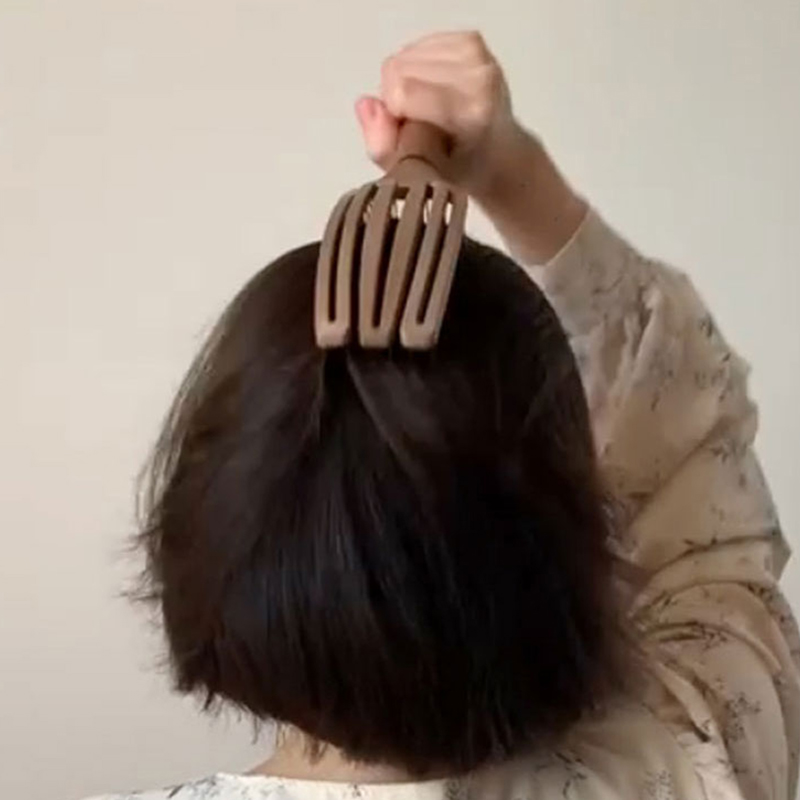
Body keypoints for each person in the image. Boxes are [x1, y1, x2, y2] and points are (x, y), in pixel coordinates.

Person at [86, 31, 799, 800]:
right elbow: (700, 478)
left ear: (205, 535)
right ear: (575, 560)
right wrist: (513, 172)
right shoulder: (695, 760)